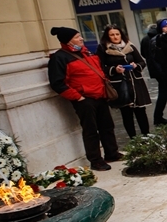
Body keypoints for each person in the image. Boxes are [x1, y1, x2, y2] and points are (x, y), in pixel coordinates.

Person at [47, 27, 121, 171]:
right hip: (84, 99)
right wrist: (78, 97)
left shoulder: (86, 53)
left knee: (107, 126)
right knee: (90, 130)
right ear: (68, 40)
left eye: (80, 36)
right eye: (77, 37)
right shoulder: (60, 57)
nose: (81, 39)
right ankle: (96, 160)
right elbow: (57, 83)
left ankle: (112, 153)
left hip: (100, 95)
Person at [97, 25, 151, 139]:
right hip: (119, 83)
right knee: (126, 113)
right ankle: (133, 138)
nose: (115, 37)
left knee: (141, 110)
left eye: (117, 34)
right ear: (107, 36)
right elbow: (101, 67)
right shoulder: (103, 48)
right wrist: (114, 69)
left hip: (135, 82)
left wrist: (136, 65)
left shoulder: (129, 46)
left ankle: (146, 135)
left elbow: (142, 62)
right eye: (112, 35)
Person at [140, 23, 167, 126]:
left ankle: (159, 117)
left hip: (154, 70)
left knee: (166, 92)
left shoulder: (145, 39)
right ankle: (158, 117)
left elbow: (143, 54)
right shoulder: (158, 39)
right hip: (161, 70)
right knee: (165, 92)